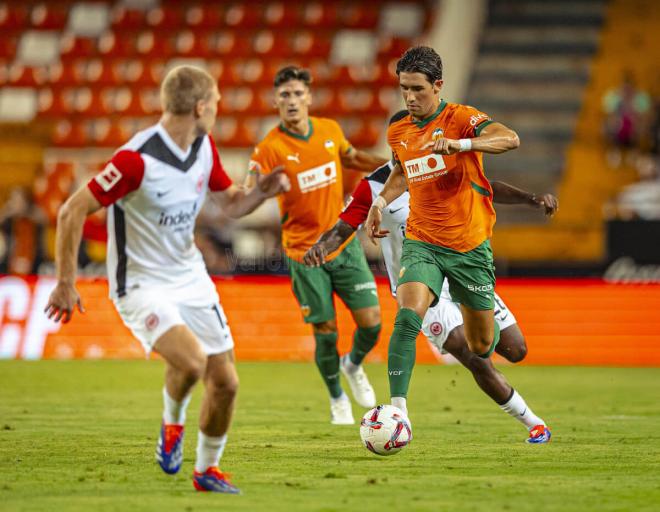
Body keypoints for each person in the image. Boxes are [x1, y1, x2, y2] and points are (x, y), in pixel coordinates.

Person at [44, 65, 290, 493]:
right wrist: (67, 282)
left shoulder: (203, 146)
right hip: (141, 284)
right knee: (192, 362)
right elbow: (71, 211)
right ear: (200, 106)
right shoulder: (135, 160)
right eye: (214, 104)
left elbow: (230, 204)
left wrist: (260, 193)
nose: (216, 111)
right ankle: (172, 428)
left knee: (226, 382)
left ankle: (206, 471)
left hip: (189, 276)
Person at [305, 158, 558, 443]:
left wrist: (532, 199)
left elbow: (485, 188)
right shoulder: (373, 187)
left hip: (461, 269)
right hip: (420, 285)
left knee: (515, 349)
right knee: (473, 358)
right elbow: (342, 228)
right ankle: (534, 424)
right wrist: (320, 248)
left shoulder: (440, 166)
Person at [364, 46, 521, 417]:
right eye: (404, 88)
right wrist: (379, 203)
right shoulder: (399, 129)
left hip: (469, 246)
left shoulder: (461, 118)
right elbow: (401, 174)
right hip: (422, 241)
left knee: (482, 346)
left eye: (417, 89)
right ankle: (397, 412)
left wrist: (460, 144)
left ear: (438, 86)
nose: (409, 97)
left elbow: (510, 138)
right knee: (407, 316)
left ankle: (479, 319)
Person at [244, 66, 388, 425]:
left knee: (371, 324)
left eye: (297, 94)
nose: (291, 101)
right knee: (326, 332)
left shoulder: (329, 130)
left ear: (308, 97)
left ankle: (352, 365)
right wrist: (262, 187)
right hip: (304, 255)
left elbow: (351, 157)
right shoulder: (270, 148)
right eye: (284, 95)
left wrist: (392, 167)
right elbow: (248, 189)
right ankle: (337, 397)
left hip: (342, 244)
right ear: (276, 101)